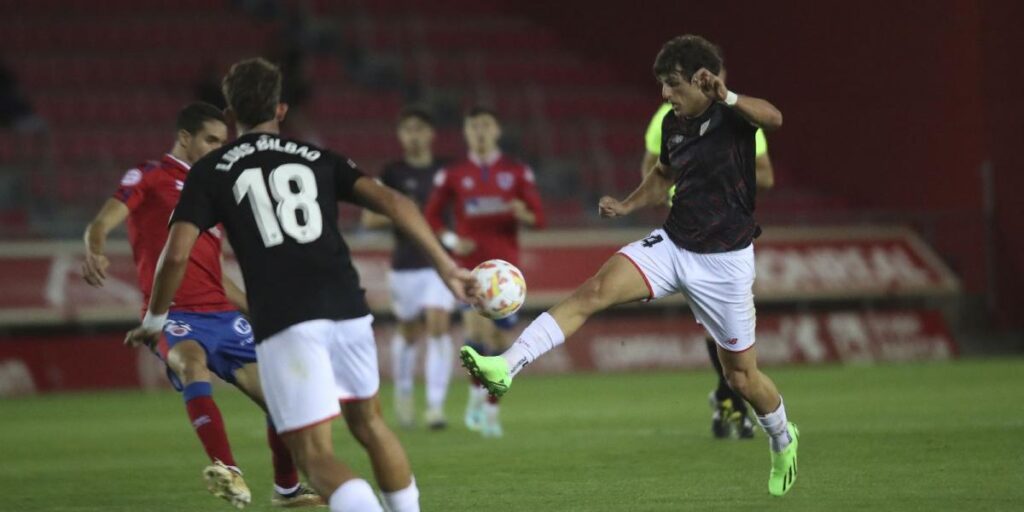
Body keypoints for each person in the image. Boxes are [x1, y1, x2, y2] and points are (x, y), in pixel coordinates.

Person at [125, 58, 476, 512]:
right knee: (370, 424)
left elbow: (175, 254)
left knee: (314, 453)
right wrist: (447, 267)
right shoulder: (318, 157)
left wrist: (156, 318)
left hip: (287, 318)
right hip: (349, 307)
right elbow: (393, 201)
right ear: (281, 110)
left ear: (231, 114)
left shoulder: (211, 171)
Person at [460, 35, 799, 496]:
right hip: (674, 245)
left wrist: (730, 95)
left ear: (704, 81)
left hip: (726, 263)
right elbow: (663, 175)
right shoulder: (673, 124)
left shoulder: (734, 117)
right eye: (662, 86)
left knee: (742, 378)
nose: (665, 95)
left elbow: (775, 119)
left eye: (674, 85)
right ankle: (506, 366)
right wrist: (627, 204)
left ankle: (782, 438)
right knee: (592, 293)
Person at [83, 102, 321, 508]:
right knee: (192, 364)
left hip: (223, 315)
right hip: (172, 314)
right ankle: (228, 471)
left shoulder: (215, 189)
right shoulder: (150, 176)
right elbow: (102, 222)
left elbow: (215, 275)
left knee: (280, 396)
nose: (218, 148)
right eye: (211, 140)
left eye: (223, 142)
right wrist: (95, 248)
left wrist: (259, 310)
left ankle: (287, 489)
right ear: (186, 138)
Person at [642, 76, 775, 440]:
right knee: (714, 324)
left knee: (727, 328)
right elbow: (652, 172)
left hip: (729, 232)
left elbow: (765, 175)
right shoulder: (665, 119)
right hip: (685, 235)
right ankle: (730, 397)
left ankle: (727, 395)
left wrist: (723, 170)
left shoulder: (738, 117)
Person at [423, 107, 545, 438]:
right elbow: (431, 217)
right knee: (475, 338)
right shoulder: (453, 173)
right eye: (473, 126)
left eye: (486, 125)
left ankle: (492, 407)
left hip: (507, 275)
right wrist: (450, 239)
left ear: (497, 131)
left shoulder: (516, 172)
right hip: (471, 271)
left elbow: (539, 218)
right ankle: (477, 399)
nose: (480, 131)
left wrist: (524, 213)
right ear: (465, 132)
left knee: (501, 343)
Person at [361, 107, 456, 430]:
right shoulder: (391, 174)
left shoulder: (447, 171)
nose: (414, 136)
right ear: (401, 136)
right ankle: (403, 395)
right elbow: (369, 218)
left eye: (419, 129)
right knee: (409, 332)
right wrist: (403, 212)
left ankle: (434, 407)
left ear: (431, 134)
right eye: (407, 130)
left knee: (439, 325)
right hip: (405, 265)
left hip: (439, 263)